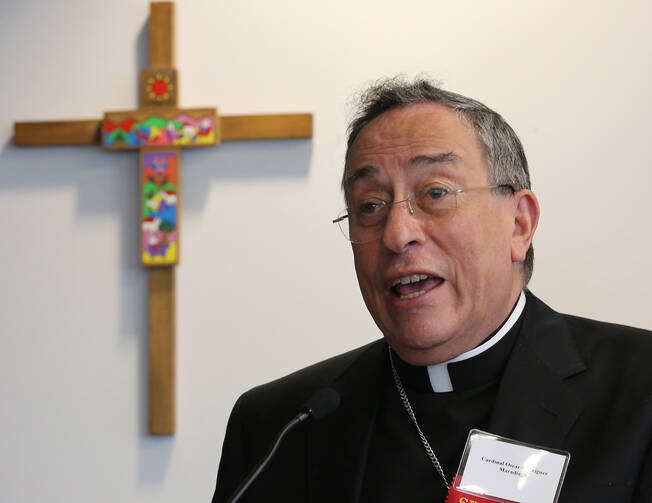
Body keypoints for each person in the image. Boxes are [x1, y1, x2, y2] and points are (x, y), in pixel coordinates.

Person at [211, 78, 652, 502]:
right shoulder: (279, 426)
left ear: (518, 224)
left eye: (436, 193)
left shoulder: (638, 391)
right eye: (369, 206)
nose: (396, 234)